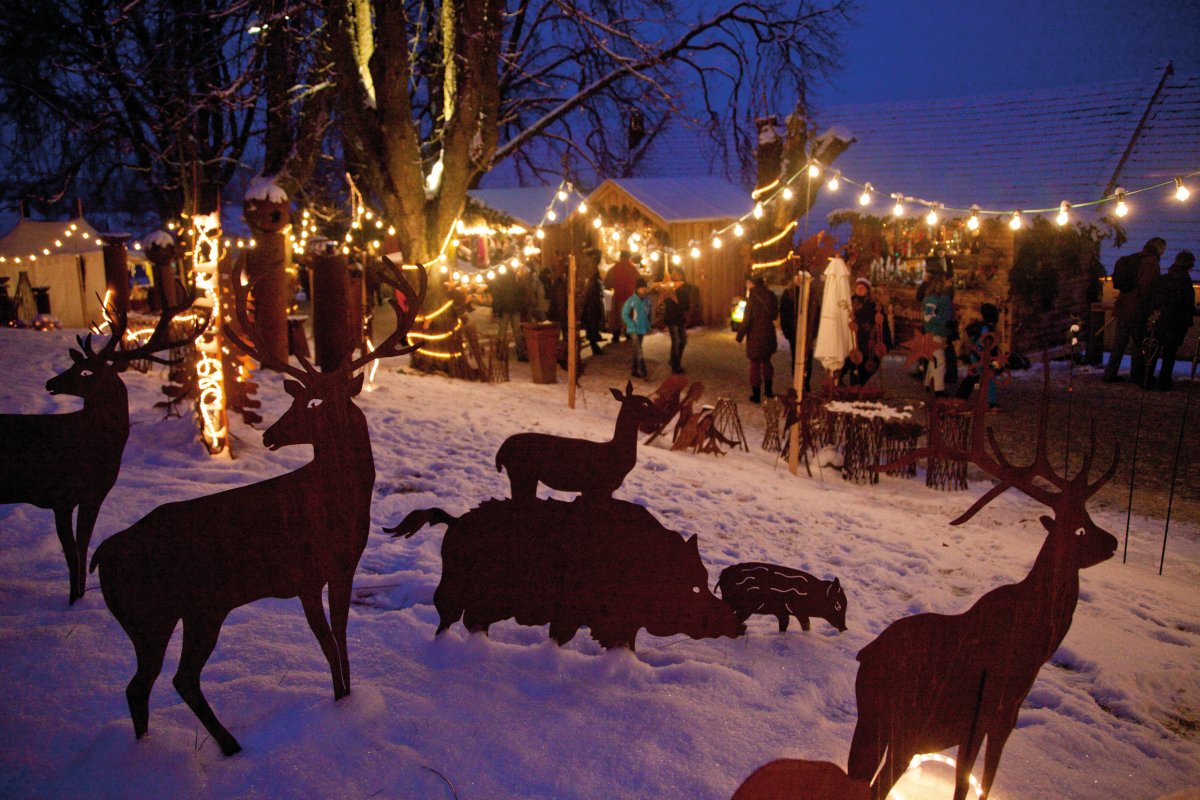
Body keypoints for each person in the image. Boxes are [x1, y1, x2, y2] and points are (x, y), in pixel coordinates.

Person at [1105, 237, 1166, 383]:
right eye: (1163, 248)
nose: (1164, 252)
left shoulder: (1137, 258)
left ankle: (1110, 373)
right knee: (1138, 343)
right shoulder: (1151, 262)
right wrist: (1148, 306)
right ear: (1158, 247)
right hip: (1137, 309)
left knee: (1120, 342)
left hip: (1124, 306)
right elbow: (1145, 287)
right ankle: (1137, 374)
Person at [1142, 251, 1197, 390]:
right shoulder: (1185, 283)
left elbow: (1152, 298)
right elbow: (1187, 305)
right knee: (1169, 354)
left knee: (1153, 351)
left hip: (1160, 320)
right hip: (1175, 323)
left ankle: (1147, 380)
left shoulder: (1164, 279)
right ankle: (1163, 381)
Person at [737, 274, 779, 403]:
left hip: (755, 336)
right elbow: (774, 315)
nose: (746, 285)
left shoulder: (752, 299)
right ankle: (768, 391)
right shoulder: (771, 295)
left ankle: (756, 395)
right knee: (766, 362)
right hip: (768, 335)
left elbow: (747, 320)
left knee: (755, 365)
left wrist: (739, 336)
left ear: (752, 284)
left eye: (747, 283)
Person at [841, 277, 891, 386]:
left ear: (867, 289)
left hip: (868, 340)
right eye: (857, 288)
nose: (859, 290)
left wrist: (885, 341)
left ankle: (861, 385)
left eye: (862, 288)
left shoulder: (874, 304)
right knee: (853, 364)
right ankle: (853, 386)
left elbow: (881, 322)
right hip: (853, 339)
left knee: (867, 365)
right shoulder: (849, 302)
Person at [954, 303, 1002, 408]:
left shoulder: (983, 326)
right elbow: (982, 343)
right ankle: (990, 402)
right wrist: (984, 356)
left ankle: (960, 397)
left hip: (978, 356)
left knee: (972, 377)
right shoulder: (986, 328)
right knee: (989, 378)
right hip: (981, 357)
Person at [922, 269, 954, 397]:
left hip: (933, 332)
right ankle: (939, 390)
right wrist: (943, 323)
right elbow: (928, 316)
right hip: (934, 333)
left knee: (933, 360)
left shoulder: (934, 298)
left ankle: (928, 383)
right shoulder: (933, 299)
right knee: (939, 361)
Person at [492, 266, 528, 361]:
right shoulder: (517, 285)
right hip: (514, 310)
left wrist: (497, 310)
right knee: (517, 332)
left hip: (505, 310)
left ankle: (500, 353)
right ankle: (520, 353)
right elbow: (522, 297)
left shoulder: (501, 285)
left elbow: (497, 298)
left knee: (502, 332)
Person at [621, 277, 653, 378]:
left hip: (642, 328)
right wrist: (631, 323)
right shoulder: (631, 300)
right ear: (637, 288)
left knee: (636, 349)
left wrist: (648, 325)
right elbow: (624, 314)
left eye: (644, 287)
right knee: (639, 350)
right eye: (641, 287)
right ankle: (643, 371)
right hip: (633, 329)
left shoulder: (647, 301)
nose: (643, 289)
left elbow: (648, 315)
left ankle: (634, 370)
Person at [605, 250, 639, 343]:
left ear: (620, 256)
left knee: (616, 316)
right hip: (630, 296)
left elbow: (608, 282)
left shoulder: (614, 268)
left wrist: (611, 286)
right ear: (629, 257)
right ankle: (628, 334)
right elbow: (639, 282)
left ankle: (616, 334)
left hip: (618, 294)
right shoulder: (633, 268)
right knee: (628, 315)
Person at [661, 268, 690, 373]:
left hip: (680, 317)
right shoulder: (670, 287)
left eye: (677, 274)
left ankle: (674, 360)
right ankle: (675, 366)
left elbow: (686, 302)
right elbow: (667, 301)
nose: (675, 276)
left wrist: (686, 312)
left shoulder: (684, 287)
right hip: (671, 317)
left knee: (683, 340)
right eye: (674, 274)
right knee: (675, 341)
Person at [580, 261, 606, 356]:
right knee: (592, 327)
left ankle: (594, 345)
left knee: (591, 327)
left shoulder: (591, 282)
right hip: (592, 307)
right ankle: (594, 346)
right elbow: (594, 296)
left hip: (591, 307)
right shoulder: (594, 283)